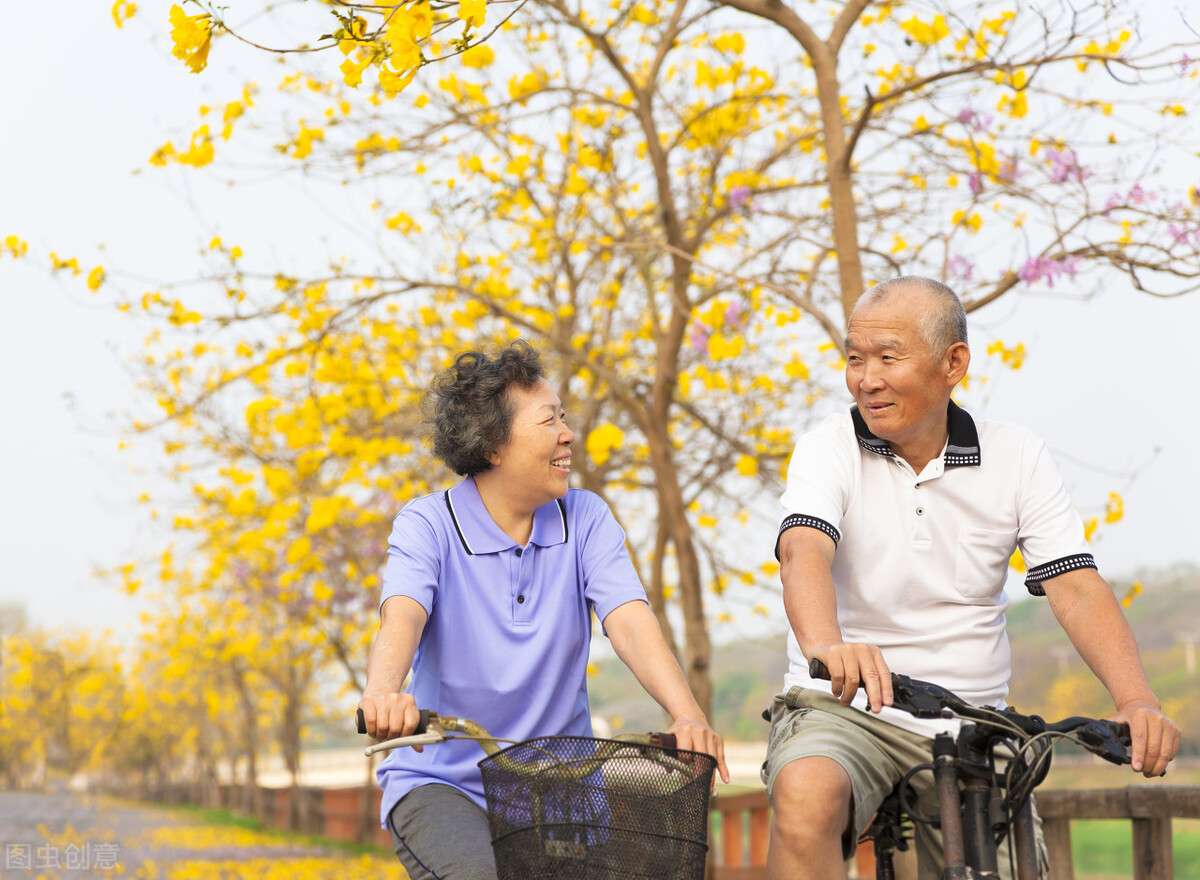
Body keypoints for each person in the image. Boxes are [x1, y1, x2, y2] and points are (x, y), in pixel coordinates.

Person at [762, 276, 1180, 880]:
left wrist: (1136, 700)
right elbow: (804, 550)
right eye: (855, 358)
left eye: (888, 357)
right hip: (843, 707)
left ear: (953, 362)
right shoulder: (828, 447)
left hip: (972, 721)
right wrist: (827, 646)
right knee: (805, 796)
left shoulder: (1017, 455)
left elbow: (1077, 588)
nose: (866, 378)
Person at [357, 339, 728, 880]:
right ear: (493, 446)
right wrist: (383, 693)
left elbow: (627, 619)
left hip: (564, 785)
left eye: (565, 418)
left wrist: (687, 714)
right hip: (445, 782)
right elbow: (404, 613)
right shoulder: (429, 524)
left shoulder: (586, 519)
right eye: (548, 421)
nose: (567, 434)